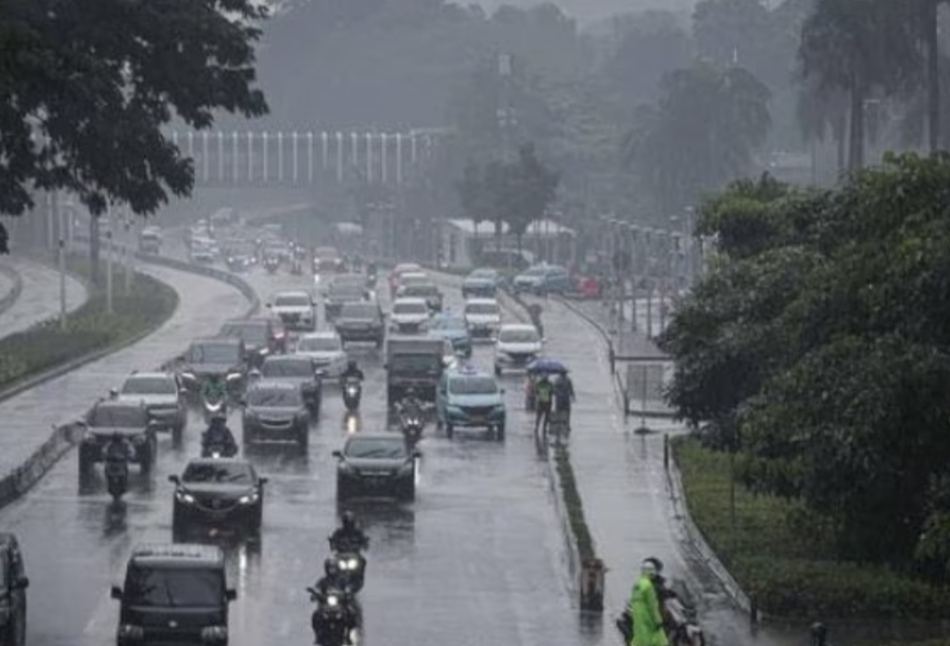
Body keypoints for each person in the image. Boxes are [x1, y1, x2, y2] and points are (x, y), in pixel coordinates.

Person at [627, 559, 668, 646]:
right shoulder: (649, 586)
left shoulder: (639, 583)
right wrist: (658, 621)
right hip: (647, 618)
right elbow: (652, 605)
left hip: (638, 619)